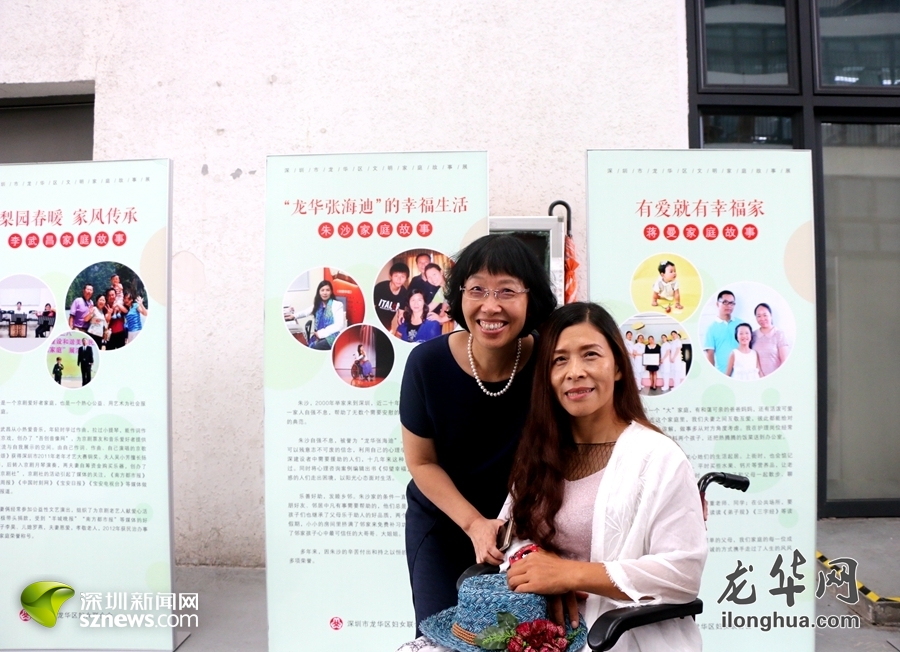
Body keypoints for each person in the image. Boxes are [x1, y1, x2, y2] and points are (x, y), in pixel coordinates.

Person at [503, 302, 706, 652]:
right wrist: (538, 569)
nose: (575, 372)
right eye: (560, 360)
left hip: (618, 639)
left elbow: (682, 572)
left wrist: (570, 574)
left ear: (618, 368)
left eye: (590, 355)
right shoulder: (538, 453)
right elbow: (511, 537)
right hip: (537, 634)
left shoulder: (659, 457)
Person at [400, 234, 557, 633]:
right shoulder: (426, 364)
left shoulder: (550, 362)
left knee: (524, 636)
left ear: (532, 298)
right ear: (460, 296)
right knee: (443, 635)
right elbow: (421, 462)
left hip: (528, 528)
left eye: (507, 291)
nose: (491, 306)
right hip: (445, 522)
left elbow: (596, 432)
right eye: (477, 290)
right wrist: (473, 524)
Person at [294, 280, 344, 350]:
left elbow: (339, 325)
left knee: (316, 347)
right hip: (318, 335)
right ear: (319, 292)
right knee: (310, 345)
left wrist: (321, 333)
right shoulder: (318, 304)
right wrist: (293, 316)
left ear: (331, 292)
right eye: (322, 290)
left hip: (332, 335)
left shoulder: (337, 305)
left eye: (327, 290)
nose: (325, 293)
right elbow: (305, 312)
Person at [751, 303, 790, 376]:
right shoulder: (752, 335)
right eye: (759, 316)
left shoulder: (779, 334)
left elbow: (784, 361)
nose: (762, 319)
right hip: (756, 378)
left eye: (765, 315)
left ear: (771, 315)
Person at [704, 290, 738, 373]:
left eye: (731, 303)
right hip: (723, 372)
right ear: (717, 304)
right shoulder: (711, 328)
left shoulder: (741, 324)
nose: (729, 306)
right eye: (725, 302)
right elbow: (710, 354)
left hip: (742, 373)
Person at [373, 262, 410, 329]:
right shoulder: (380, 288)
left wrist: (401, 317)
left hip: (387, 327)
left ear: (406, 279)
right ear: (391, 276)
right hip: (374, 324)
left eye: (402, 276)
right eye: (396, 276)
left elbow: (401, 311)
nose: (399, 279)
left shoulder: (404, 293)